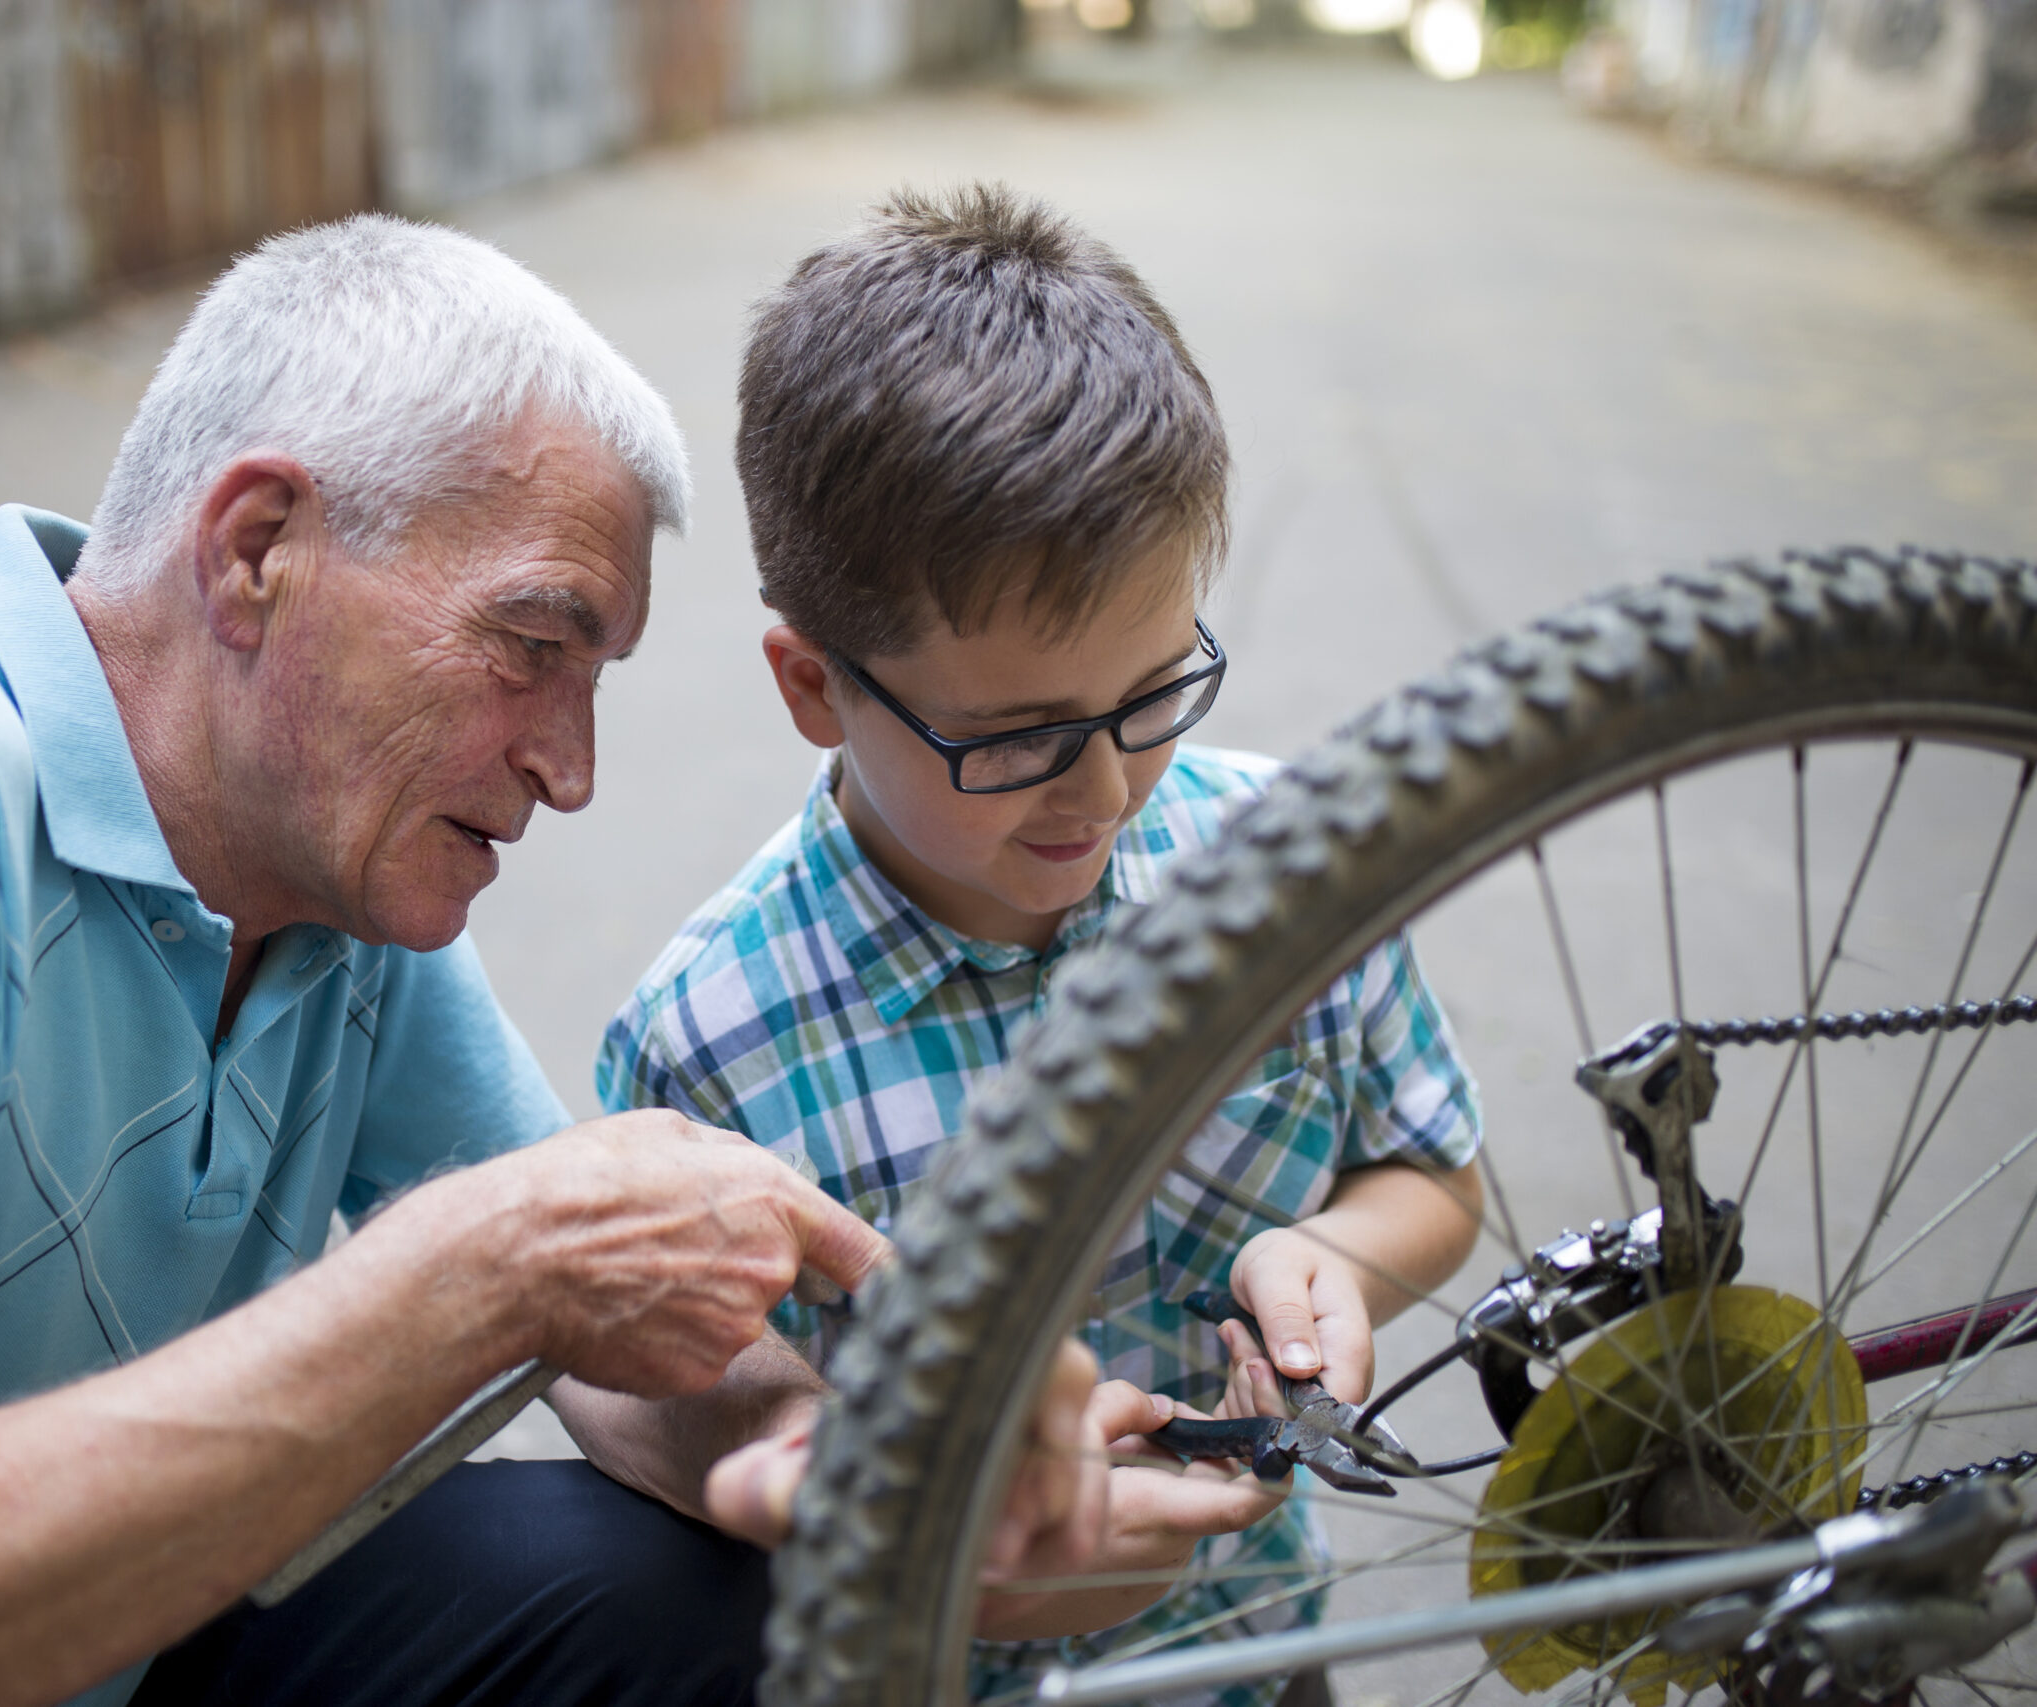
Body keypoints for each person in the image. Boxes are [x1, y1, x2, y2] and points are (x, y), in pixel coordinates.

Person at [0, 217, 1107, 1707]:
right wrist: (482, 1267)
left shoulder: (323, 876)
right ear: (257, 548)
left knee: (729, 1611)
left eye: (594, 678)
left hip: (60, 1647)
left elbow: (595, 1349)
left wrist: (893, 1470)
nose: (572, 766)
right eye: (533, 649)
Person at [597, 185, 1491, 1703]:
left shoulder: (1288, 866)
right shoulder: (713, 1036)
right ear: (813, 685)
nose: (1103, 789)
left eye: (1154, 695)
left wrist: (1328, 1252)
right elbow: (684, 1395)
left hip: (1267, 1652)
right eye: (1014, 740)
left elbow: (1433, 1170)